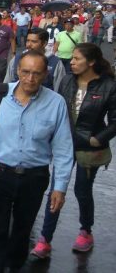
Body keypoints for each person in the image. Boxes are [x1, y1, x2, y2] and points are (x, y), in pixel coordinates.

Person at [0, 51, 74, 273]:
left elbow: (63, 149)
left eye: (37, 73)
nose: (30, 78)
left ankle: (15, 267)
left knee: (22, 232)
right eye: (25, 72)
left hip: (34, 178)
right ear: (17, 70)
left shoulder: (56, 104)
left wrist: (60, 187)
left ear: (46, 74)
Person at [30, 43, 116, 259]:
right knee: (56, 189)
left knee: (82, 190)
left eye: (77, 59)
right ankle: (44, 240)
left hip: (90, 148)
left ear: (91, 62)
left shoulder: (109, 85)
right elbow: (56, 108)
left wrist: (99, 139)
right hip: (64, 144)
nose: (72, 62)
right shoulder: (67, 80)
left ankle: (86, 231)